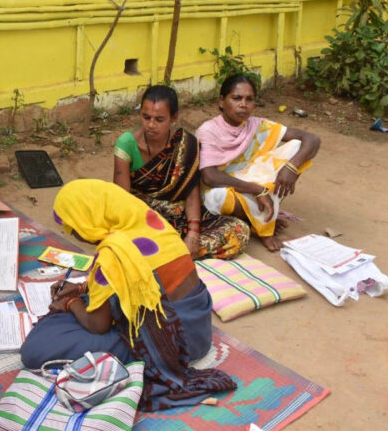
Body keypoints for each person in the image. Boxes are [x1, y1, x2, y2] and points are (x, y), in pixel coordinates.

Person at [20, 180, 236, 411]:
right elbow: (142, 278)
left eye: (72, 226)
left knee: (38, 345)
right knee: (83, 306)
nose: (72, 233)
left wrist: (70, 302)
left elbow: (97, 325)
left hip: (173, 344)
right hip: (198, 328)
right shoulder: (154, 225)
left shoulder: (113, 253)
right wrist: (83, 288)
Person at [113, 85, 249, 259]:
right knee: (126, 241)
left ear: (174, 118)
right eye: (146, 117)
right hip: (142, 215)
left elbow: (192, 194)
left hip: (179, 215)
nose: (151, 125)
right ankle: (171, 252)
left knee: (239, 232)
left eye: (159, 119)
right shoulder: (126, 144)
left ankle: (167, 252)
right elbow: (123, 201)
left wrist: (192, 235)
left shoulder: (187, 145)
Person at [197, 74, 321, 252]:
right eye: (237, 98)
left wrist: (291, 168)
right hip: (223, 188)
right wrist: (258, 190)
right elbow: (210, 177)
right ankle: (258, 221)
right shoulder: (208, 130)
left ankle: (259, 215)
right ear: (221, 101)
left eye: (250, 99)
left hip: (251, 181)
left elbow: (312, 139)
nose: (243, 104)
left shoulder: (257, 125)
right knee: (219, 197)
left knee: (298, 147)